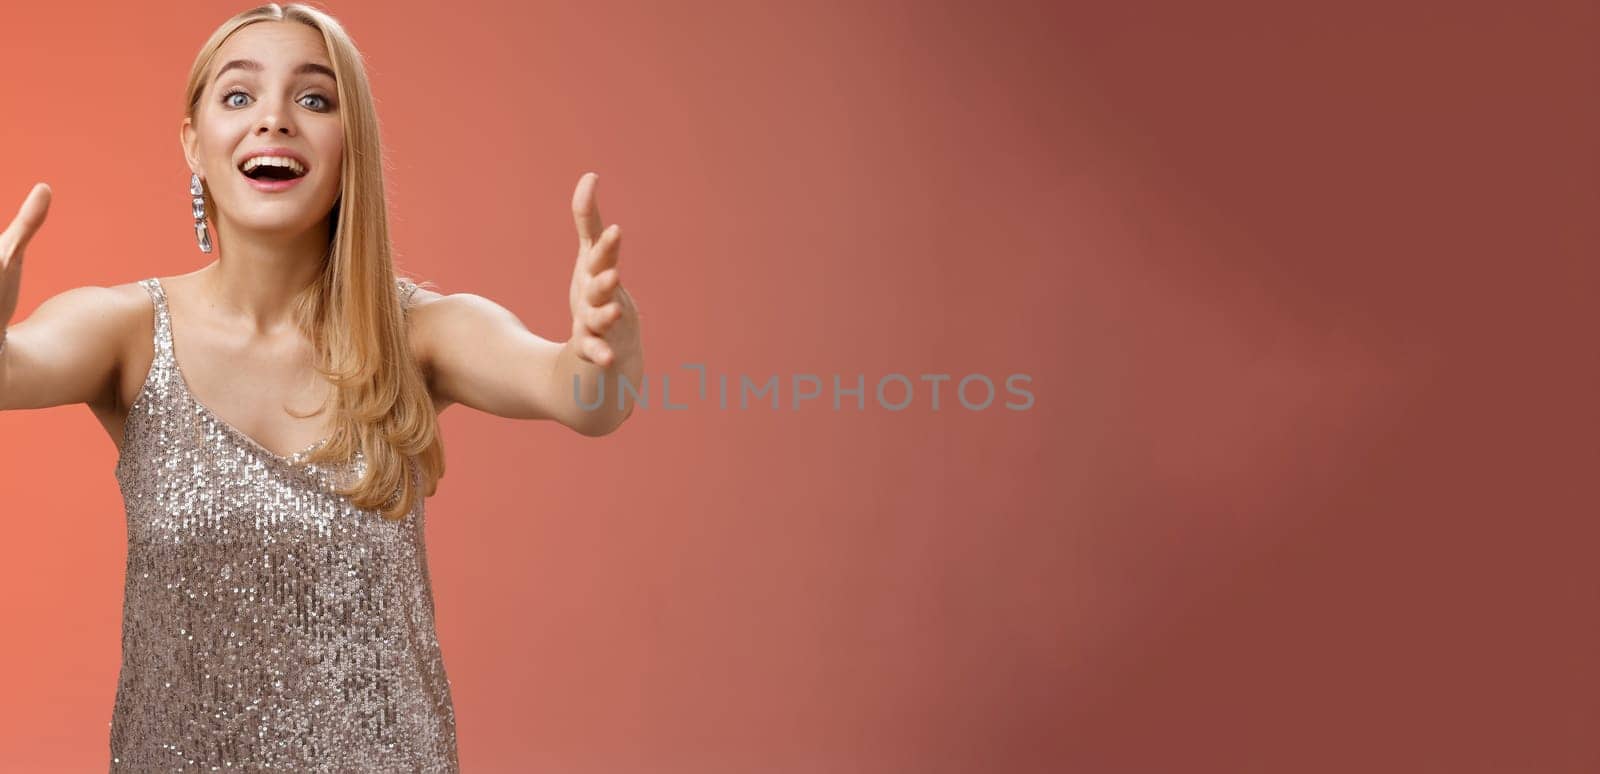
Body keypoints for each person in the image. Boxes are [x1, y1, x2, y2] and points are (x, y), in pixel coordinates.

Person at [0, 3, 642, 770]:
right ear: (193, 143)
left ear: (352, 146)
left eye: (315, 99)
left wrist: (608, 351)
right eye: (238, 97)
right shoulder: (126, 330)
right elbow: (13, 367)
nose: (274, 119)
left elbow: (581, 397)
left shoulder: (418, 332)